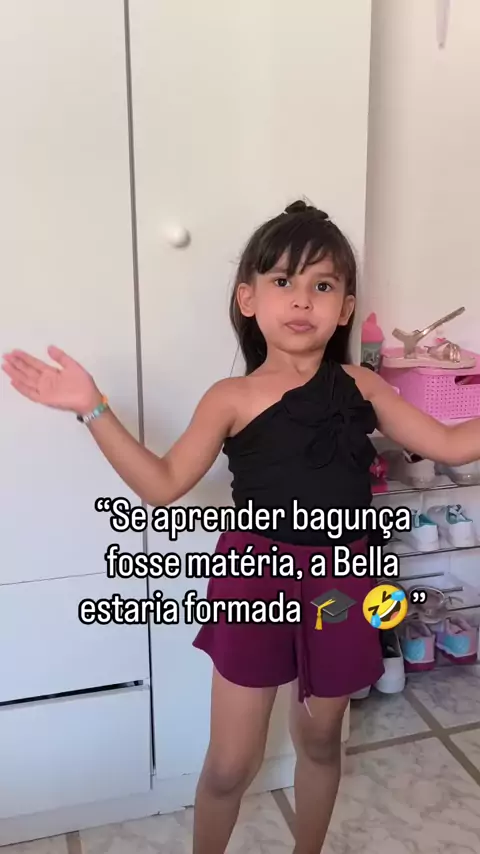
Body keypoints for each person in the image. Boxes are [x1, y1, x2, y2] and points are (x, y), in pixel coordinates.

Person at [3, 200, 479, 854]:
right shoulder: (230, 398)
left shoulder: (363, 386)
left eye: (322, 285)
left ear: (345, 308)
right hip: (254, 578)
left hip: (342, 582)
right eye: (283, 281)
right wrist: (94, 409)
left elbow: (450, 443)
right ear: (248, 298)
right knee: (230, 764)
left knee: (321, 738)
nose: (302, 299)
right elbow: (162, 485)